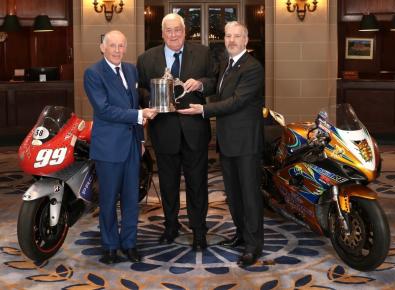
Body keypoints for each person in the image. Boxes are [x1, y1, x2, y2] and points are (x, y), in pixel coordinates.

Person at [178, 21, 265, 266]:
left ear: (246, 40)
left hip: (246, 143)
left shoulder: (253, 67)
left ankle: (253, 245)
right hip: (227, 142)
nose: (232, 40)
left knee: (249, 196)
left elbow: (236, 102)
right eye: (228, 36)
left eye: (237, 36)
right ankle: (241, 234)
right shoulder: (226, 64)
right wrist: (200, 84)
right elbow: (216, 86)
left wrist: (203, 109)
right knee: (234, 195)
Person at [137, 13, 216, 251]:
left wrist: (201, 83)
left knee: (197, 185)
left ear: (184, 31)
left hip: (195, 133)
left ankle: (199, 232)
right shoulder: (146, 58)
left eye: (178, 30)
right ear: (162, 33)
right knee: (169, 185)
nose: (173, 35)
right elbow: (139, 90)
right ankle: (170, 227)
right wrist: (153, 97)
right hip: (164, 132)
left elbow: (215, 81)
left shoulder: (202, 53)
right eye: (169, 30)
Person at [84, 30, 157, 264]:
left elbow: (133, 102)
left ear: (126, 48)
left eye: (121, 46)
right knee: (107, 199)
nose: (117, 50)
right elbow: (104, 109)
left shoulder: (130, 70)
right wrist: (138, 115)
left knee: (130, 198)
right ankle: (109, 246)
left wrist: (142, 140)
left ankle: (129, 243)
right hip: (108, 147)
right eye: (112, 45)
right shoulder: (93, 73)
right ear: (102, 47)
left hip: (133, 146)